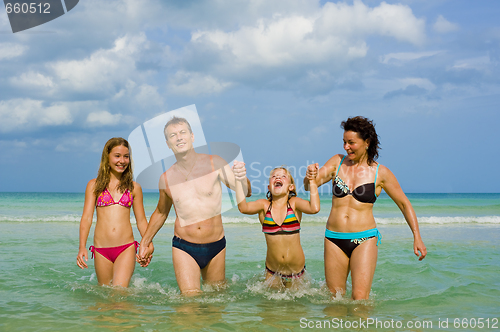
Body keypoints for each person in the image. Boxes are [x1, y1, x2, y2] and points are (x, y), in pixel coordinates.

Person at [305, 116, 426, 300]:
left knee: (360, 301)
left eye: (351, 142)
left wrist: (417, 236)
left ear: (367, 142)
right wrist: (310, 176)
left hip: (364, 239)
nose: (346, 147)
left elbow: (404, 203)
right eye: (344, 142)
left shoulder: (380, 172)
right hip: (334, 238)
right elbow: (309, 186)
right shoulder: (337, 162)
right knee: (333, 299)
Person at [138, 117, 251, 295]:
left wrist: (241, 177)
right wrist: (145, 241)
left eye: (183, 132)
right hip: (184, 247)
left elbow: (245, 192)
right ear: (168, 144)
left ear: (192, 136)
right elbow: (161, 212)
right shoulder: (166, 178)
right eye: (173, 135)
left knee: (216, 303)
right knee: (190, 302)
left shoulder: (215, 163)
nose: (179, 137)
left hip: (216, 246)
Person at [76, 137, 154, 287]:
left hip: (126, 247)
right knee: (105, 299)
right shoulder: (94, 185)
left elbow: (141, 221)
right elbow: (86, 218)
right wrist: (82, 247)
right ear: (107, 156)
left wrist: (149, 243)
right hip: (101, 250)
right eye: (117, 156)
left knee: (120, 295)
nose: (122, 161)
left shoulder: (134, 188)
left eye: (126, 156)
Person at [235, 165, 320, 288]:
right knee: (271, 306)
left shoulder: (294, 204)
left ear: (291, 187)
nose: (277, 177)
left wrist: (312, 180)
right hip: (273, 273)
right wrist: (238, 179)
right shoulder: (264, 206)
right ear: (269, 187)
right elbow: (243, 208)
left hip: (297, 274)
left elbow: (314, 208)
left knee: (300, 307)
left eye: (283, 176)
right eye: (274, 176)